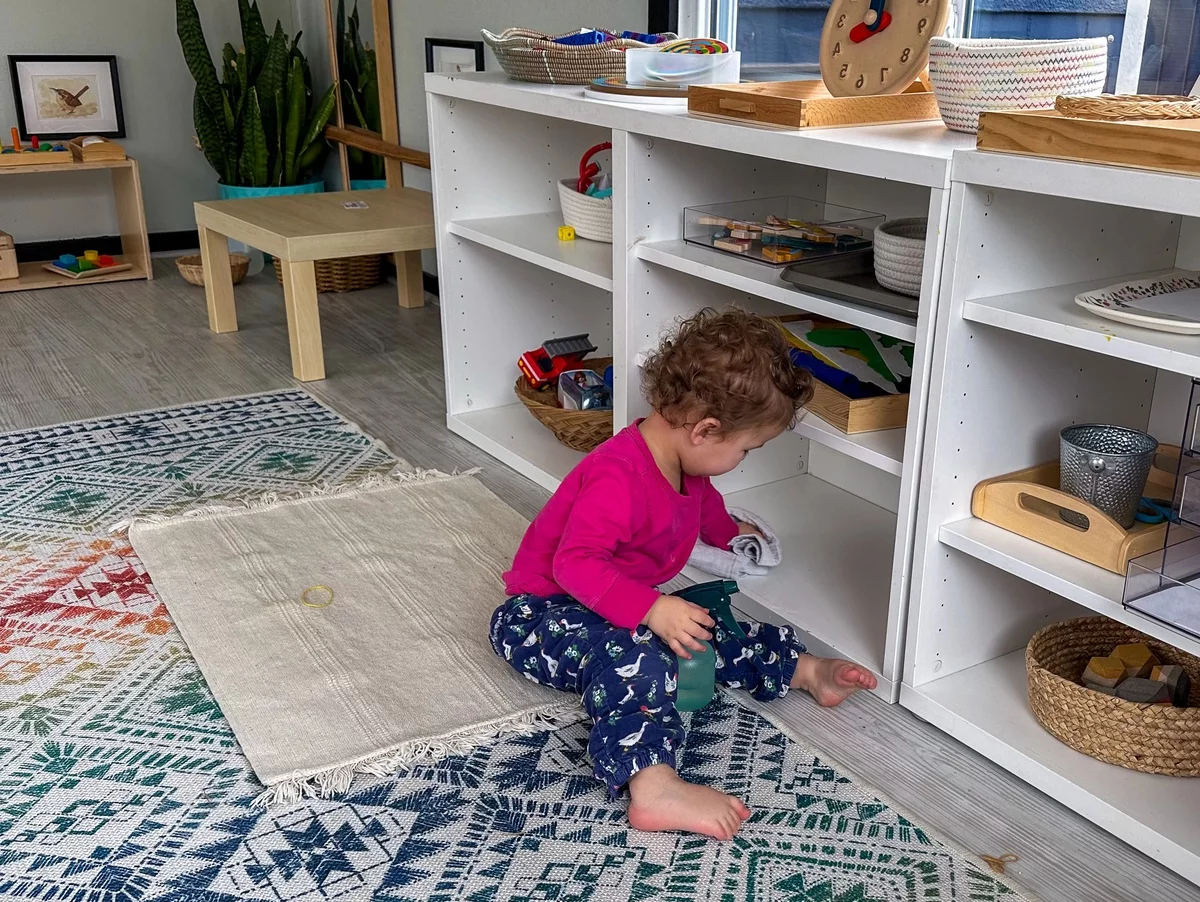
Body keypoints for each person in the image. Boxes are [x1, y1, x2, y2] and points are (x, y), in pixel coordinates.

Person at [490, 308, 877, 841]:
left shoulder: (682, 462)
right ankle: (652, 786)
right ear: (705, 430)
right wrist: (651, 608)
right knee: (640, 652)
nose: (743, 459)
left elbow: (702, 504)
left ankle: (800, 669)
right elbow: (573, 565)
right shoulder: (616, 477)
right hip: (541, 615)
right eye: (746, 450)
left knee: (699, 623)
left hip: (610, 604)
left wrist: (730, 531)